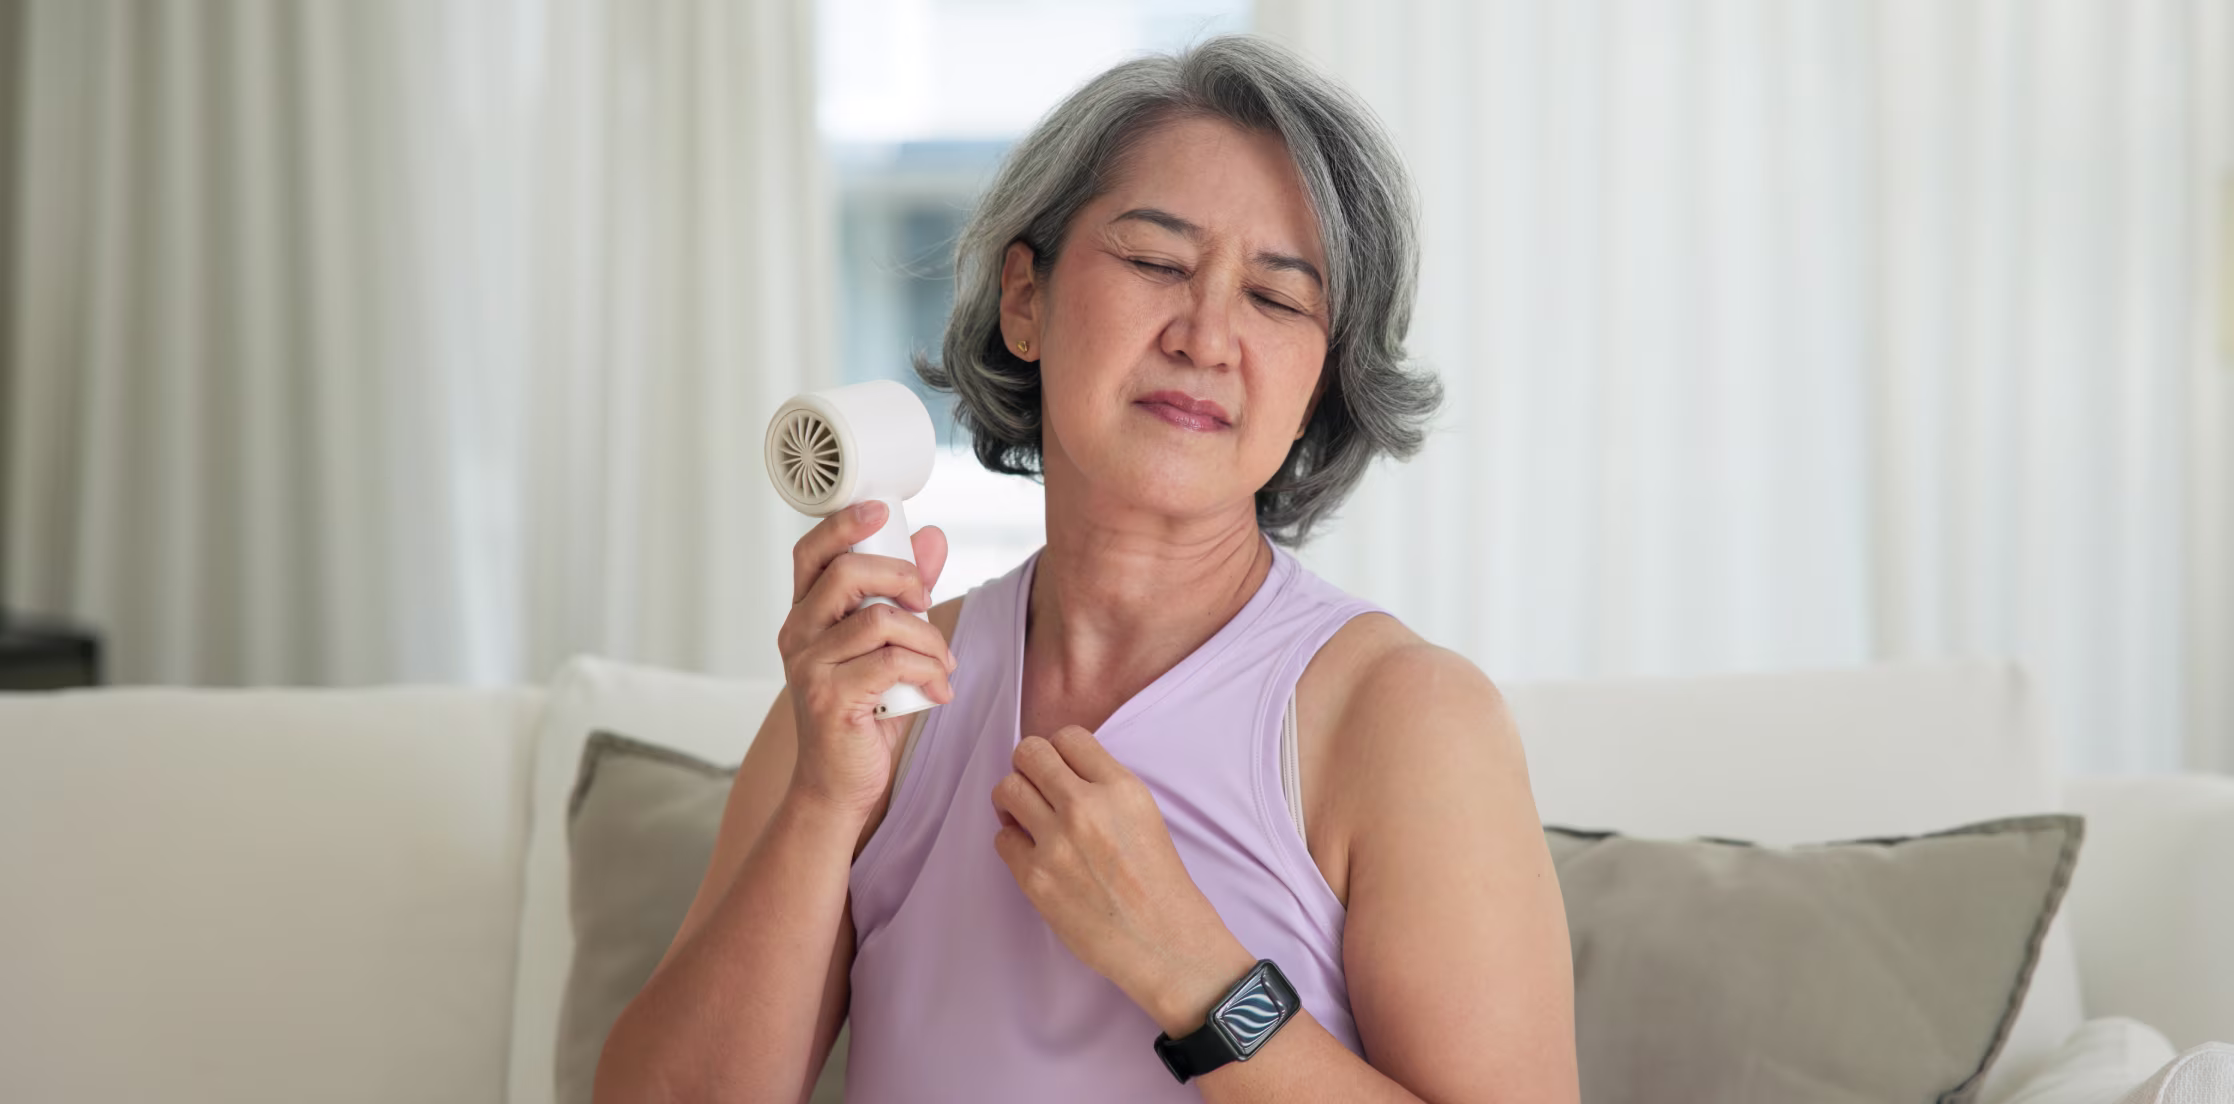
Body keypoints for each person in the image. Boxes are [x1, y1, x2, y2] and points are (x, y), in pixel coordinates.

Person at [596, 33, 1578, 1104]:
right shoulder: (872, 698)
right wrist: (823, 809)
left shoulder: (1403, 718)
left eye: (1276, 299)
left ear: (1320, 380)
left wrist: (1196, 978)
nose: (1205, 337)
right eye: (1156, 262)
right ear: (1025, 297)